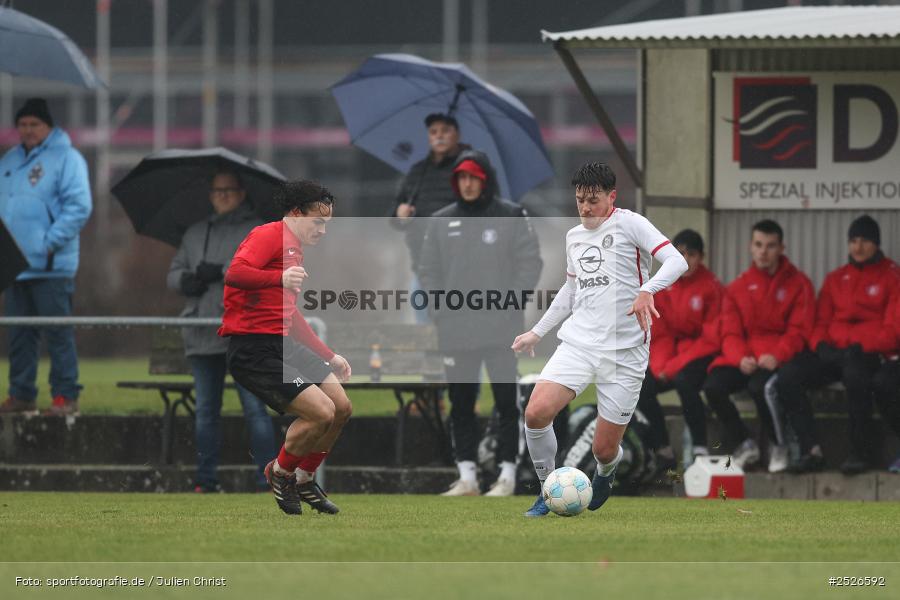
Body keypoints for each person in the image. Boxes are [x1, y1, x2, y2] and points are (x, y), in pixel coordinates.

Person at [511, 162, 687, 517]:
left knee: (603, 450)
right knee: (536, 412)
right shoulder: (574, 237)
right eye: (580, 200)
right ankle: (547, 489)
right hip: (579, 344)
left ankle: (606, 471)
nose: (586, 208)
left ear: (612, 196)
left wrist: (648, 290)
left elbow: (676, 261)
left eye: (593, 200)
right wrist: (537, 331)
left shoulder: (631, 224)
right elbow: (570, 290)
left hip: (625, 352)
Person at [219, 180, 352, 515]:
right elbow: (235, 273)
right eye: (317, 222)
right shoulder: (268, 235)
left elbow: (289, 316)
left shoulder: (295, 247)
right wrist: (277, 278)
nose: (322, 230)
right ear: (295, 213)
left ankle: (305, 478)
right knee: (321, 412)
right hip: (253, 350)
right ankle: (280, 472)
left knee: (341, 407)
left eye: (326, 224)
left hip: (283, 343)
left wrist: (329, 355)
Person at [419, 149, 542, 497]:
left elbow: (530, 264)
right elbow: (428, 271)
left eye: (474, 177)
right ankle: (467, 477)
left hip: (501, 329)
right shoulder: (440, 221)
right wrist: (441, 310)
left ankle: (507, 475)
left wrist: (509, 303)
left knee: (506, 402)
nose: (468, 184)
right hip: (456, 330)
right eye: (461, 177)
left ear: (485, 180)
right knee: (460, 402)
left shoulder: (512, 215)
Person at [167, 171, 276, 493]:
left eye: (229, 189)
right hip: (201, 332)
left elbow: (261, 268)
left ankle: (268, 479)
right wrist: (186, 281)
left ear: (242, 193)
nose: (223, 195)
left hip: (244, 333)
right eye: (217, 190)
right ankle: (205, 480)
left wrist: (223, 271)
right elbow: (173, 272)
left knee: (255, 409)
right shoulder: (195, 233)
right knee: (205, 412)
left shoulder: (257, 230)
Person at [776, 215, 900, 474]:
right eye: (853, 240)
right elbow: (820, 321)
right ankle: (811, 450)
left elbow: (892, 330)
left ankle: (860, 453)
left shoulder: (892, 276)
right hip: (836, 352)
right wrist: (821, 346)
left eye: (865, 240)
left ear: (876, 243)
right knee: (789, 375)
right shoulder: (836, 278)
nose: (858, 247)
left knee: (856, 375)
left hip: (871, 354)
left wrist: (862, 347)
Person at [0, 98, 92, 416]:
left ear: (48, 126)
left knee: (58, 334)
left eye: (34, 124)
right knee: (19, 336)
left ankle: (65, 395)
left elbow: (79, 206)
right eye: (22, 124)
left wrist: (48, 243)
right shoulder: (10, 160)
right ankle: (21, 394)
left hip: (51, 267)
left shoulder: (68, 159)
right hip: (15, 266)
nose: (28, 130)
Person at [702, 220, 815, 472]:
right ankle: (745, 443)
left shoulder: (799, 284)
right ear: (751, 247)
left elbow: (800, 330)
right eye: (758, 245)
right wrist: (740, 357)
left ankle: (779, 445)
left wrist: (778, 355)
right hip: (746, 358)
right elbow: (730, 332)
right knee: (713, 386)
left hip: (777, 359)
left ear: (781, 248)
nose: (763, 252)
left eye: (770, 246)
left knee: (760, 387)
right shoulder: (738, 287)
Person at [636, 229, 723, 467]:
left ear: (701, 257)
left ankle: (700, 447)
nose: (685, 260)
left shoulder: (711, 287)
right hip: (671, 356)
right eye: (680, 253)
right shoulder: (663, 285)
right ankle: (661, 448)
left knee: (685, 381)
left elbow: (711, 339)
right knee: (640, 385)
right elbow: (660, 332)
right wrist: (661, 366)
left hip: (702, 355)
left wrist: (673, 366)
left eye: (691, 254)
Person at [391, 113, 467, 322]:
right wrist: (400, 215)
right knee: (423, 321)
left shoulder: (468, 172)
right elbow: (395, 217)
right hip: (422, 262)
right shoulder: (417, 172)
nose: (439, 136)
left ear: (457, 135)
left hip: (458, 264)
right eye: (434, 132)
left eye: (445, 131)